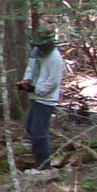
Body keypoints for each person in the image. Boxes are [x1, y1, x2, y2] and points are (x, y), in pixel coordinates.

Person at [16, 27, 66, 169]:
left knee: (39, 132)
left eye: (42, 45)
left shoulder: (55, 59)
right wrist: (27, 81)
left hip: (46, 100)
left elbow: (52, 83)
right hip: (35, 97)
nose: (39, 47)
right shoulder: (36, 52)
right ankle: (39, 157)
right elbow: (31, 68)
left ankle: (44, 166)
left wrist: (34, 89)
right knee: (30, 128)